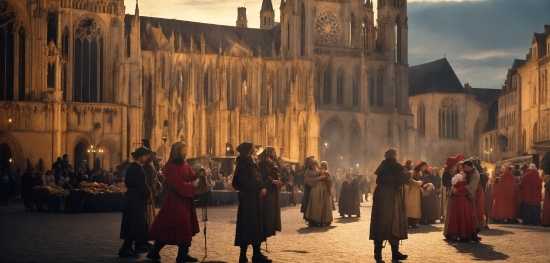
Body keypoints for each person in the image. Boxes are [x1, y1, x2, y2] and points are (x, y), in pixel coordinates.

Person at [147, 141, 201, 263]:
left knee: (185, 226)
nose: (185, 151)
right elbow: (178, 183)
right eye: (183, 149)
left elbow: (191, 176)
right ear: (177, 151)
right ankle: (155, 251)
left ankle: (182, 253)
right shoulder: (170, 166)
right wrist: (192, 186)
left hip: (185, 200)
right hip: (175, 200)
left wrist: (200, 174)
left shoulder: (185, 164)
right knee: (170, 225)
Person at [369, 149, 410, 263]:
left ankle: (378, 254)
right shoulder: (395, 166)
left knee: (379, 222)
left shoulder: (382, 166)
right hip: (391, 194)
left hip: (380, 194)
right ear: (394, 155)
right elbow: (403, 177)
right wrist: (409, 172)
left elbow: (378, 180)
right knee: (393, 221)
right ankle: (394, 253)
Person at [232, 142, 270, 263]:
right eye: (253, 149)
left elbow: (258, 178)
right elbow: (247, 183)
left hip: (255, 199)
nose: (255, 150)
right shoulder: (242, 166)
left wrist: (262, 185)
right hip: (247, 200)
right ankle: (243, 256)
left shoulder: (252, 164)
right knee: (247, 227)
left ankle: (256, 254)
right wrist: (260, 188)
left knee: (256, 225)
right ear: (248, 151)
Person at [118, 146, 152, 258]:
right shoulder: (137, 168)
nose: (147, 158)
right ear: (141, 156)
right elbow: (142, 184)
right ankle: (125, 248)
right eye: (146, 156)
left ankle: (128, 247)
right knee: (134, 222)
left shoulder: (133, 167)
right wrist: (148, 194)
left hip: (133, 197)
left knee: (133, 222)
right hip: (135, 198)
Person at [257, 146, 283, 243]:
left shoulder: (272, 164)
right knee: (266, 215)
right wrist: (273, 181)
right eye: (273, 152)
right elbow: (262, 178)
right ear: (268, 153)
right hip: (266, 194)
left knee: (271, 215)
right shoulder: (262, 164)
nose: (275, 154)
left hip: (272, 193)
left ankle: (267, 232)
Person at [446, 173, 477, 241]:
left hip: (456, 200)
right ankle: (465, 234)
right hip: (464, 200)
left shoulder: (455, 185)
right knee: (464, 216)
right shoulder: (465, 182)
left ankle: (456, 234)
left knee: (456, 217)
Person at [304, 159, 333, 227]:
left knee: (323, 206)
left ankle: (323, 220)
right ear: (310, 166)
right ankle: (313, 220)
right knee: (315, 206)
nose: (314, 166)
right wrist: (318, 178)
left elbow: (327, 178)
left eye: (315, 165)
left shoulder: (319, 171)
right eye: (313, 165)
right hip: (313, 190)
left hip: (323, 191)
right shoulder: (307, 172)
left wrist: (325, 177)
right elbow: (307, 180)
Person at [460, 160, 484, 241]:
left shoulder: (475, 174)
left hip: (477, 195)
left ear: (470, 166)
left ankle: (474, 234)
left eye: (465, 167)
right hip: (471, 196)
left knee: (476, 214)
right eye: (463, 167)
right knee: (471, 215)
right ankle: (472, 234)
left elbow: (471, 187)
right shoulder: (468, 173)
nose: (464, 169)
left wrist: (459, 190)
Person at [442, 153, 464, 238]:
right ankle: (448, 232)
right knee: (449, 213)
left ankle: (454, 232)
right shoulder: (446, 173)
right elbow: (446, 183)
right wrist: (453, 185)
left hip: (455, 194)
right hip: (451, 194)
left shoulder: (453, 172)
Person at [405, 160, 425, 228]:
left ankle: (414, 222)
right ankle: (408, 222)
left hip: (417, 192)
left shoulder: (420, 173)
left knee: (416, 208)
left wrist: (422, 185)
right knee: (410, 207)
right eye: (423, 167)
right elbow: (409, 181)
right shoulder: (412, 172)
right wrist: (418, 183)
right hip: (411, 192)